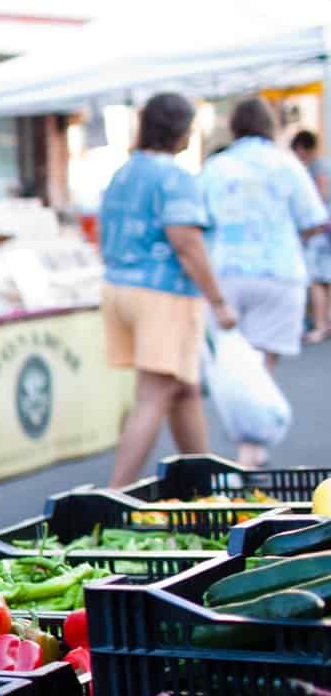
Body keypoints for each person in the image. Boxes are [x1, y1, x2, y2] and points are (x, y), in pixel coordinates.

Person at [98, 92, 238, 488]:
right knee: (155, 395)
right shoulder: (174, 177)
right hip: (163, 293)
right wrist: (219, 301)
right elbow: (187, 244)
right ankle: (114, 495)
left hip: (120, 288)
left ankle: (203, 484)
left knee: (184, 390)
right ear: (179, 130)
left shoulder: (123, 172)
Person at [200, 99, 328, 466]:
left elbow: (196, 220)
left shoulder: (216, 167)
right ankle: (251, 449)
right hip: (279, 271)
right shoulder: (286, 165)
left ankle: (246, 445)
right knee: (260, 362)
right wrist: (289, 240)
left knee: (232, 359)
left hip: (224, 272)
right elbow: (314, 218)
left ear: (235, 127)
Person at [289, 129, 331, 343]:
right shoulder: (323, 164)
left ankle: (321, 326)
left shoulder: (318, 168)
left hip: (321, 230)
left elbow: (320, 197)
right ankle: (327, 322)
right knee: (326, 278)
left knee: (316, 279)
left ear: (302, 148)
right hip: (326, 229)